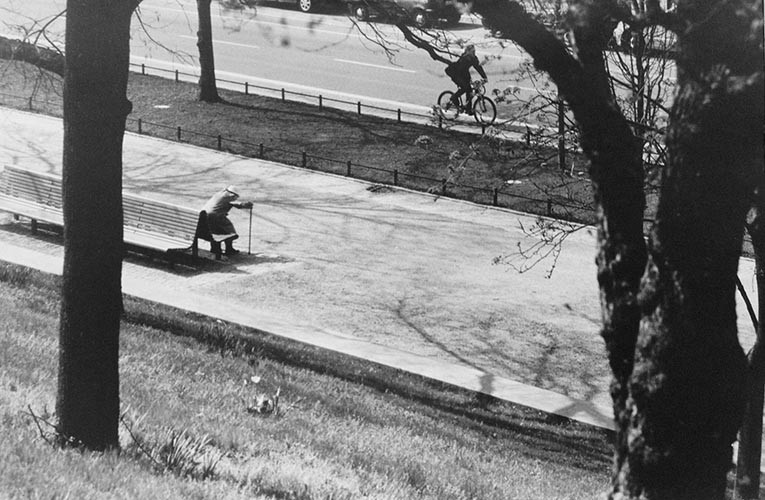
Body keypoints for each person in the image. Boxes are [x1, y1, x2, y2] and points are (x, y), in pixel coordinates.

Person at [202, 185, 253, 256]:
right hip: (215, 217)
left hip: (204, 216)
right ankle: (229, 249)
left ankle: (215, 249)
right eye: (236, 197)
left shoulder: (220, 194)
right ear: (233, 194)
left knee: (215, 230)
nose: (235, 198)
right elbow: (236, 204)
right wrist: (245, 205)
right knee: (229, 229)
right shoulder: (228, 196)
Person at [444, 44, 488, 115]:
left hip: (463, 75)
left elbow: (478, 67)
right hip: (456, 74)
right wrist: (468, 80)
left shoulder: (473, 58)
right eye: (472, 51)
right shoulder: (464, 58)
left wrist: (484, 77)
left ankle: (468, 109)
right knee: (465, 88)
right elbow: (461, 70)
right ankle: (454, 97)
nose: (474, 53)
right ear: (468, 52)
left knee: (469, 90)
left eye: (474, 51)